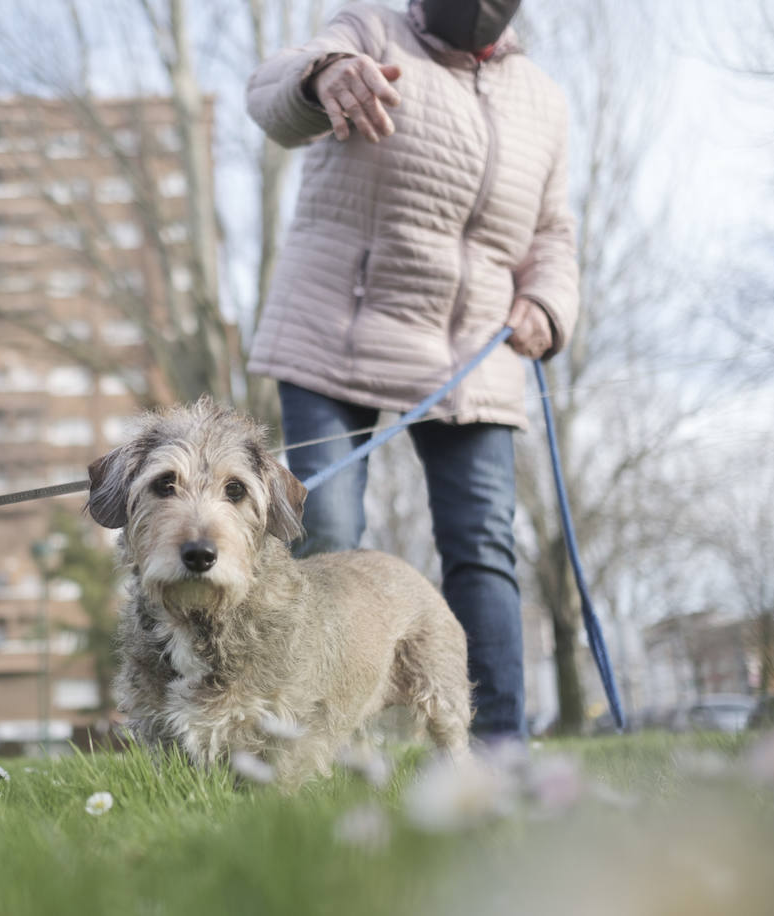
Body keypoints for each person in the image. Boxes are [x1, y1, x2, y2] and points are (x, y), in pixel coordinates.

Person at [245, 0, 579, 739]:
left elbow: (552, 231)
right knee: (325, 528)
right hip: (336, 328)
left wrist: (548, 302)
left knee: (484, 546)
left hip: (473, 350)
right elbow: (270, 98)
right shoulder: (370, 32)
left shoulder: (543, 99)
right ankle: (315, 742)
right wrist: (323, 76)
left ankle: (495, 752)